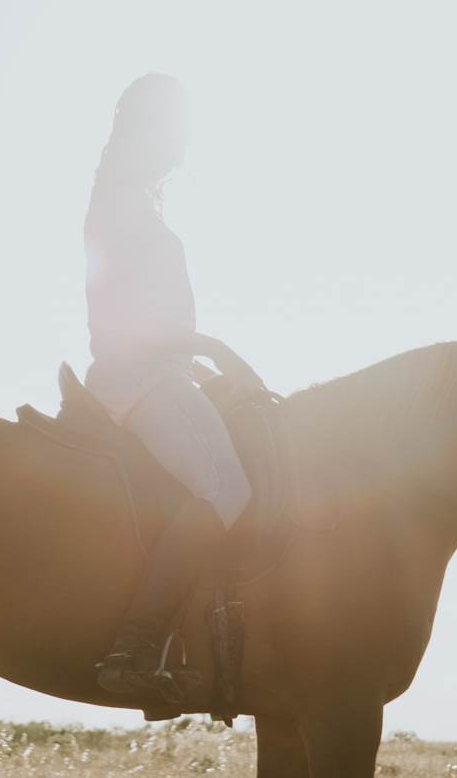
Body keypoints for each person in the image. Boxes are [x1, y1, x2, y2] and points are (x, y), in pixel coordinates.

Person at [84, 72, 263, 698]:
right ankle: (132, 650)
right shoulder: (122, 203)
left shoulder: (127, 199)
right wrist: (213, 349)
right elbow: (125, 327)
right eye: (176, 129)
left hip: (163, 373)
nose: (183, 146)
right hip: (139, 380)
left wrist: (208, 369)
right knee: (227, 489)